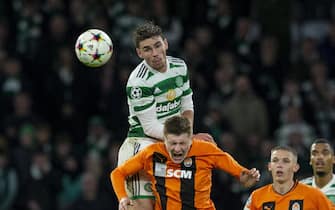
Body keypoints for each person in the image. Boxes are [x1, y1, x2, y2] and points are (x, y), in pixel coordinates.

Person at [117, 21, 213, 210]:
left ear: (165, 43)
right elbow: (150, 128)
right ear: (139, 53)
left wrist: (186, 136)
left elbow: (186, 104)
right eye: (147, 49)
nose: (154, 53)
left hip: (169, 145)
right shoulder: (139, 83)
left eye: (157, 45)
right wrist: (186, 139)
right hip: (142, 145)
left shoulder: (180, 67)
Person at [111, 115, 260, 210]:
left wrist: (248, 178)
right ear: (165, 140)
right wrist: (122, 197)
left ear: (191, 138)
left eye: (182, 143)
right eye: (173, 143)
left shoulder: (206, 150)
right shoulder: (152, 153)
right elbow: (117, 173)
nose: (177, 149)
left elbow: (241, 175)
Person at [244, 145, 333, 210]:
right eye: (275, 161)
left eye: (285, 161)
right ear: (270, 166)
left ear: (295, 167)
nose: (279, 165)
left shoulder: (314, 195)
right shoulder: (256, 196)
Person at [300, 138, 335, 204]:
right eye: (315, 154)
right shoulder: (300, 188)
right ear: (310, 160)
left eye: (325, 153)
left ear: (333, 159)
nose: (319, 157)